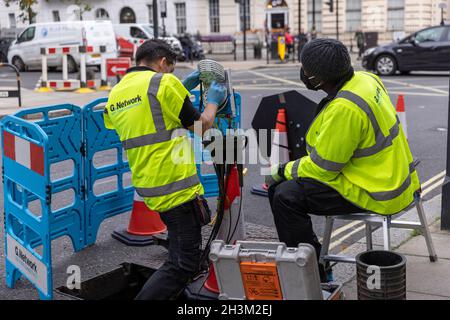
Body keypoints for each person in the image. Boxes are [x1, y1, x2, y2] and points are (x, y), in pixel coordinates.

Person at [265, 38, 420, 281]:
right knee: (283, 190)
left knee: (285, 196)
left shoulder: (345, 108)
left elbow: (322, 169)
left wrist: (283, 170)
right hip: (393, 175)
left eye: (306, 69)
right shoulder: (366, 79)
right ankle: (310, 259)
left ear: (318, 78)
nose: (303, 73)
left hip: (376, 190)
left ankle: (312, 275)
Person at [103, 39, 227, 299]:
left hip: (150, 187)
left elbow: (147, 113)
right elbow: (201, 126)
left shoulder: (116, 93)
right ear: (162, 63)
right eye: (170, 69)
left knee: (179, 250)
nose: (171, 75)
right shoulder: (164, 82)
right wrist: (213, 102)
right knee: (183, 265)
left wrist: (181, 87)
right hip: (177, 188)